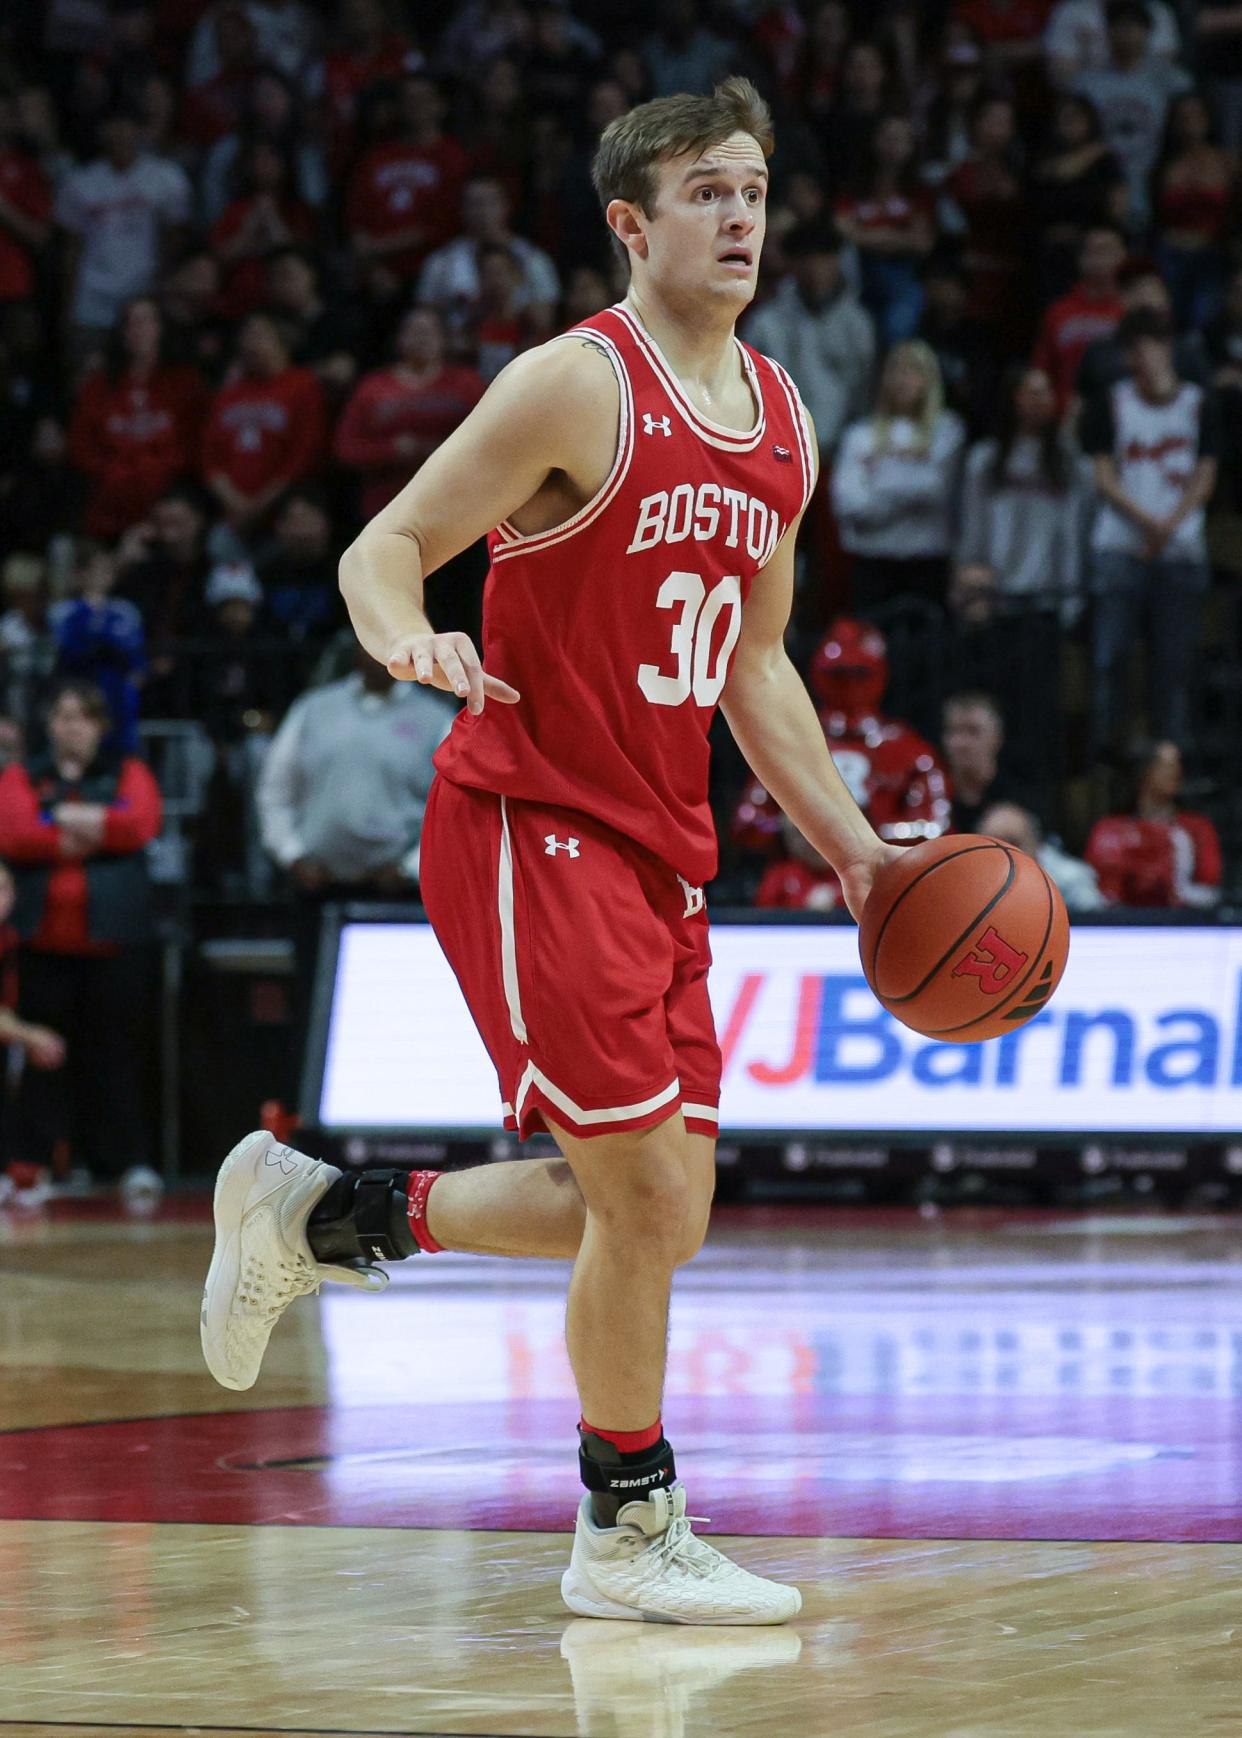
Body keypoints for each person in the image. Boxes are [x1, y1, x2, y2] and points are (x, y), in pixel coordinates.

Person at [201, 76, 900, 1625]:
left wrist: (854, 853)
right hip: (531, 820)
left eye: (754, 189)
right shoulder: (574, 386)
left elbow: (757, 668)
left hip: (662, 846)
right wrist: (407, 641)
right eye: (704, 191)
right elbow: (380, 544)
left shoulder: (781, 419)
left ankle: (320, 1215)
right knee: (644, 1201)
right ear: (629, 225)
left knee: (662, 1210)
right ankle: (626, 1524)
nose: (738, 216)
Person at [0, 679, 162, 1194]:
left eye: (81, 717)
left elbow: (138, 824)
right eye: (62, 716)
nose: (71, 727)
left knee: (116, 1055)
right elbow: (15, 832)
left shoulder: (128, 770)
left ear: (100, 726)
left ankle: (123, 1162)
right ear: (48, 725)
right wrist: (97, 829)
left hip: (114, 942)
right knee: (43, 1057)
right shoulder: (24, 774)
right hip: (41, 943)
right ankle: (34, 1163)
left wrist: (60, 822)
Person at [1079, 306, 1220, 756]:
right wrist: (1149, 524)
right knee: (1109, 661)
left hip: (1179, 552)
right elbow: (1104, 476)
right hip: (1120, 549)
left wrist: (1169, 526)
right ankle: (1105, 758)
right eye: (1130, 351)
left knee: (1175, 665)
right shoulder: (1112, 400)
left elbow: (1205, 476)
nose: (1137, 360)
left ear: (1166, 348)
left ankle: (1172, 762)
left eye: (1144, 348)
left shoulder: (1199, 403)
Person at [733, 616, 950, 901]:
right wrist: (789, 829)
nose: (848, 684)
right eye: (838, 674)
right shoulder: (792, 743)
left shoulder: (909, 751)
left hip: (886, 878)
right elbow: (747, 822)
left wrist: (859, 835)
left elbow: (936, 829)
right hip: (795, 881)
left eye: (858, 674)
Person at [831, 341, 966, 612]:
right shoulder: (860, 434)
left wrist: (877, 481)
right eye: (897, 371)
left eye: (914, 371)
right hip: (872, 563)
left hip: (927, 564)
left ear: (930, 380)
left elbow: (933, 489)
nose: (904, 380)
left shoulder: (947, 430)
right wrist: (908, 482)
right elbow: (848, 504)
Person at [54, 106, 192, 356]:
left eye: (125, 125)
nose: (119, 133)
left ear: (138, 129)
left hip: (144, 293)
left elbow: (175, 239)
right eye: (112, 126)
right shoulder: (79, 183)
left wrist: (162, 288)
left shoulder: (166, 177)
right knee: (88, 374)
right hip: (92, 300)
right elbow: (72, 249)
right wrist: (69, 306)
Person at [67, 296, 209, 538]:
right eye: (130, 323)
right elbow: (82, 447)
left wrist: (157, 472)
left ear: (161, 328)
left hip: (171, 504)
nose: (138, 330)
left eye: (145, 321)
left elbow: (196, 443)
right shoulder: (99, 388)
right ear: (121, 333)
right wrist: (114, 474)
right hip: (110, 502)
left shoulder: (186, 383)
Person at [956, 364, 1085, 620]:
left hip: (1049, 594)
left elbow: (1073, 529)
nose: (1041, 400)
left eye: (1046, 392)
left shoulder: (1066, 459)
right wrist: (969, 577)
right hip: (995, 591)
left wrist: (1073, 594)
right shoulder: (985, 459)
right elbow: (972, 524)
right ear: (1013, 398)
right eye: (1032, 393)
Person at [334, 305, 487, 520]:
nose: (421, 339)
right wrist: (391, 450)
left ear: (443, 339)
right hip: (388, 507)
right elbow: (346, 448)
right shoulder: (372, 387)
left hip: (456, 507)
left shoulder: (467, 384)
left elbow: (491, 438)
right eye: (413, 331)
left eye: (428, 332)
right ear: (400, 338)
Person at [742, 224, 874, 463]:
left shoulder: (857, 324)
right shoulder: (766, 322)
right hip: (778, 450)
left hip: (842, 454)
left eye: (824, 259)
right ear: (792, 265)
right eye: (806, 259)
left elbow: (864, 394)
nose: (815, 268)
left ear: (837, 262)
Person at [201, 312, 327, 542]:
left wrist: (260, 505)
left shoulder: (302, 386)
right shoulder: (229, 394)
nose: (250, 343)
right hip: (232, 515)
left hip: (284, 513)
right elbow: (210, 458)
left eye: (259, 335)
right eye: (246, 336)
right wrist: (236, 504)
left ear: (281, 340)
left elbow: (302, 456)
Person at [1072, 0, 1193, 227]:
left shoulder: (1172, 81)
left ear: (1147, 31)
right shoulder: (1086, 83)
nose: (1126, 34)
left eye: (1133, 26)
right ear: (1107, 31)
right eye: (1119, 26)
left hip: (1156, 175)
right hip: (1102, 177)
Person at [416, 176, 560, 344]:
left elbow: (545, 323)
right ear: (462, 209)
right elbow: (425, 320)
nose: (483, 210)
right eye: (474, 203)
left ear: (506, 206)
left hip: (521, 353)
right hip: (460, 357)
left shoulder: (533, 260)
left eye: (490, 202)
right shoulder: (441, 263)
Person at [1085, 739, 1222, 906]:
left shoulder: (1197, 828)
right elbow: (1098, 890)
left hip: (1180, 923)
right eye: (1165, 765)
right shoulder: (1109, 829)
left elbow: (1209, 887)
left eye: (1178, 764)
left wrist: (1173, 889)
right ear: (1144, 770)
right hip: (1120, 925)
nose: (1175, 771)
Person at [1150, 92, 1239, 331]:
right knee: (1169, 324)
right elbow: (1156, 216)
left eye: (1196, 116)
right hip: (1171, 255)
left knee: (1204, 324)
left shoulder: (1226, 163)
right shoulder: (1164, 166)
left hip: (1213, 255)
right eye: (1183, 117)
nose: (1190, 123)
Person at [1032, 225, 1127, 416]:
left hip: (1120, 415)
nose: (1100, 259)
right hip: (1065, 416)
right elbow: (1042, 372)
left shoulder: (1130, 310)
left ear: (1123, 256)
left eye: (1107, 250)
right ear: (1081, 259)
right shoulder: (1059, 313)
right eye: (1093, 251)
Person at [978, 799, 1109, 910]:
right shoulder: (971, 880)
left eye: (1013, 844)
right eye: (993, 846)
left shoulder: (1071, 879)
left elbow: (1096, 925)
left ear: (1035, 845)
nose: (1005, 856)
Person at [941, 689, 1026, 831]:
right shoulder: (930, 793)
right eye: (953, 731)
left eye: (973, 731)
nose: (961, 743)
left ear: (997, 738)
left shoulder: (1021, 795)